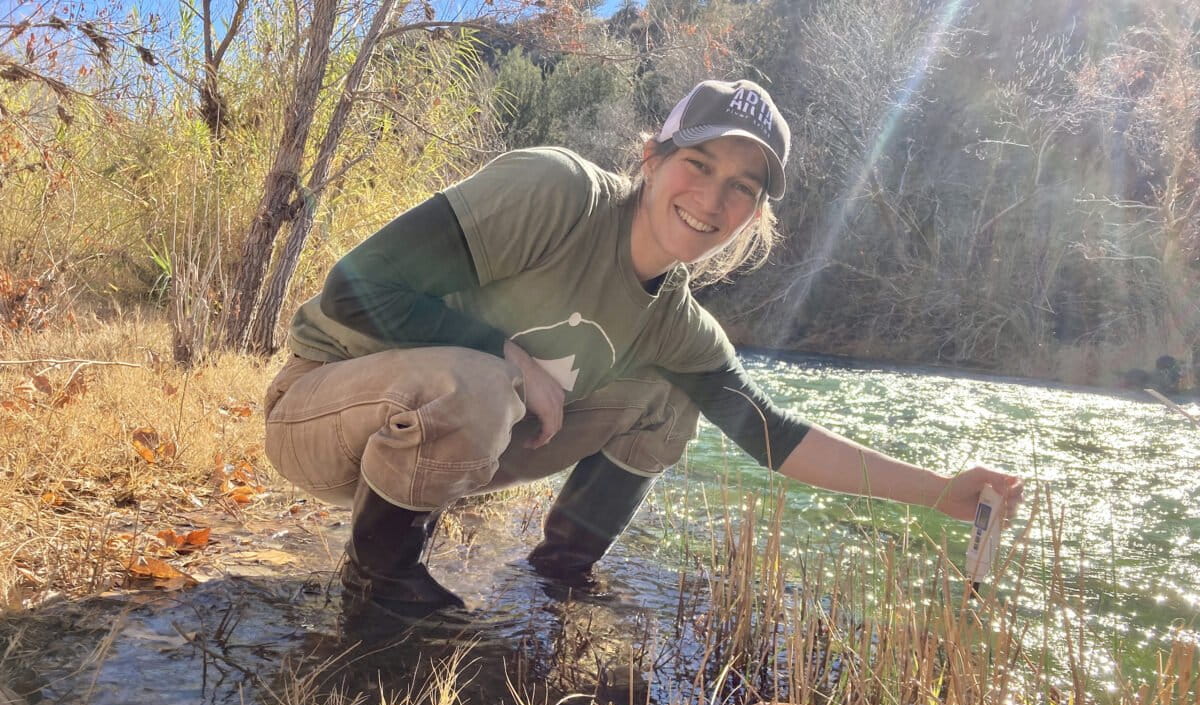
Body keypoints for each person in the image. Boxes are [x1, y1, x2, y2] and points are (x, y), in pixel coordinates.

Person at [263, 79, 1024, 619]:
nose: (713, 200)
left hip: (440, 451)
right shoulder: (556, 195)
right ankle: (379, 582)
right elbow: (353, 289)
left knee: (668, 398)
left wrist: (941, 492)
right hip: (321, 410)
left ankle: (557, 575)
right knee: (482, 382)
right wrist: (509, 353)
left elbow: (772, 436)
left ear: (754, 214)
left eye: (743, 188)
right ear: (654, 157)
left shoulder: (677, 325)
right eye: (699, 165)